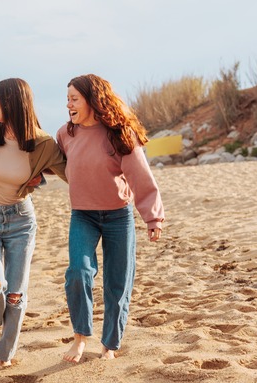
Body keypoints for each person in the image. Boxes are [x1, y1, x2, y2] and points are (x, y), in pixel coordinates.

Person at [56, 74, 164, 363]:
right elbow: (59, 165)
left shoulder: (120, 134)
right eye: (67, 99)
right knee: (78, 272)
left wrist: (153, 218)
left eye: (74, 98)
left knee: (118, 282)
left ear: (93, 100)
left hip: (118, 216)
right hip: (83, 216)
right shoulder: (66, 134)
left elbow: (141, 177)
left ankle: (109, 345)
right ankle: (80, 338)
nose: (68, 104)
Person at [0, 78, 67, 366]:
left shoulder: (44, 144)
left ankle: (5, 355)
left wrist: (41, 178)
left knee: (14, 293)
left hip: (21, 222)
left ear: (13, 102)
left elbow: (73, 172)